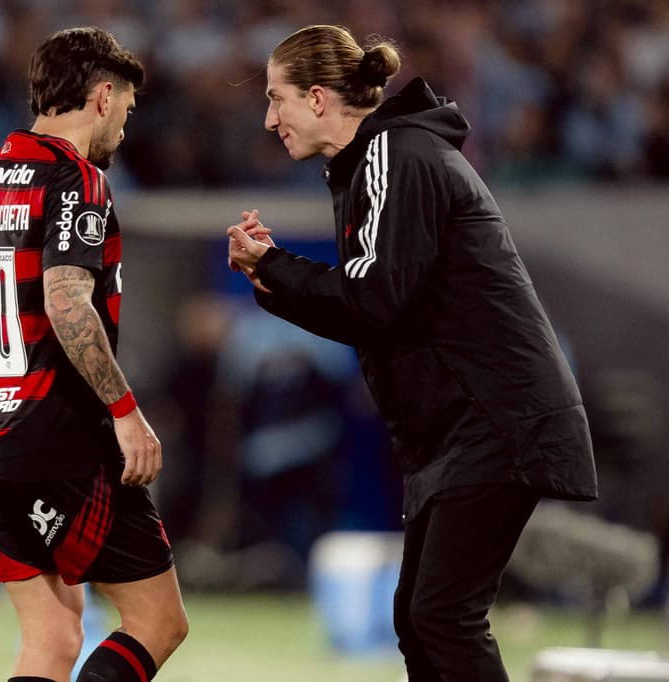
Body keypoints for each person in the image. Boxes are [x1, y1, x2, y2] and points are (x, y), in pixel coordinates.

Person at [226, 24, 598, 682]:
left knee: (441, 617)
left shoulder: (393, 152)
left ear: (317, 99)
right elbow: (377, 311)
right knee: (421, 619)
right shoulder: (378, 160)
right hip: (471, 425)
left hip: (493, 420)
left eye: (276, 98)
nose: (268, 117)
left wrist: (278, 268)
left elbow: (376, 300)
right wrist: (270, 278)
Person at [0, 27, 188, 682]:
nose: (125, 130)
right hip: (60, 439)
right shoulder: (77, 179)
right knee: (158, 621)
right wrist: (125, 410)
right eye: (127, 110)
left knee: (51, 638)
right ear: (103, 97)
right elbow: (67, 302)